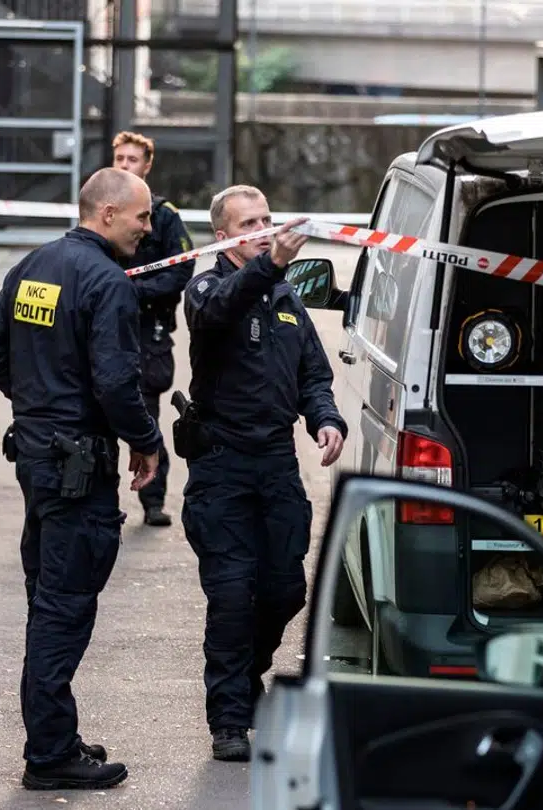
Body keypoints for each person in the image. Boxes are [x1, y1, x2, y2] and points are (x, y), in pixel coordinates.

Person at [0, 167, 162, 791]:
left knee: (48, 597)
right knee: (63, 605)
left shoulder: (33, 266)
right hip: (77, 466)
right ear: (106, 214)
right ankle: (49, 754)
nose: (148, 226)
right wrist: (146, 439)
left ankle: (54, 733)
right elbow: (114, 381)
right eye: (141, 215)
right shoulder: (106, 280)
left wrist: (34, 404)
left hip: (37, 456)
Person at [178, 185, 346, 763]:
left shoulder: (285, 296)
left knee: (285, 590)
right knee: (230, 594)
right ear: (223, 236)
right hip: (221, 464)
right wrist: (271, 265)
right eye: (249, 223)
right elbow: (215, 314)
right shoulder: (206, 286)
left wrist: (326, 420)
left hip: (276, 463)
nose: (264, 229)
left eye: (267, 220)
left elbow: (313, 374)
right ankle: (228, 718)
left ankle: (246, 677)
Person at [110, 130, 195, 527]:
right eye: (120, 158)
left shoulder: (163, 216)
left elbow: (181, 269)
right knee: (101, 416)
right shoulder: (103, 208)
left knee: (146, 415)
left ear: (147, 166)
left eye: (132, 160)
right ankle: (104, 500)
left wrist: (132, 289)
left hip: (149, 330)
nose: (125, 165)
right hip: (108, 328)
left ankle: (153, 501)